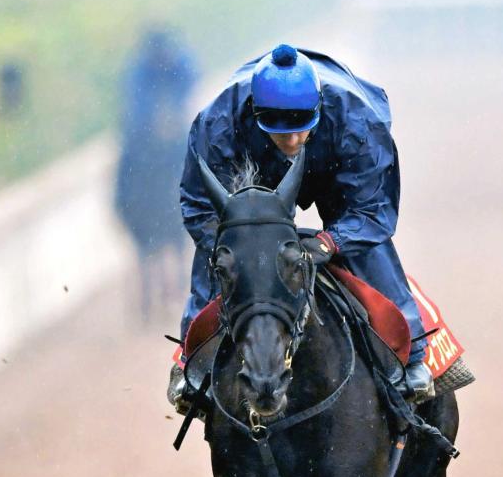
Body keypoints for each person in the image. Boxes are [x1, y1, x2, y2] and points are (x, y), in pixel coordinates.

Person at [171, 43, 433, 406]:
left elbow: (373, 210)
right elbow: (201, 208)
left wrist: (330, 242)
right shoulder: (219, 125)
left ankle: (413, 357)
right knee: (225, 257)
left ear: (318, 109)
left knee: (371, 253)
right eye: (281, 131)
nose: (292, 142)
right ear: (255, 112)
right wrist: (243, 243)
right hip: (252, 176)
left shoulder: (356, 122)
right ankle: (193, 366)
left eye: (300, 129)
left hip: (337, 171)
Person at [115, 26, 198, 319]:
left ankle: (175, 291)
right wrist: (152, 127)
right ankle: (148, 300)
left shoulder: (179, 63)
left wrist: (173, 118)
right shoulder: (138, 73)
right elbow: (134, 115)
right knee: (143, 237)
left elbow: (190, 82)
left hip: (173, 146)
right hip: (143, 150)